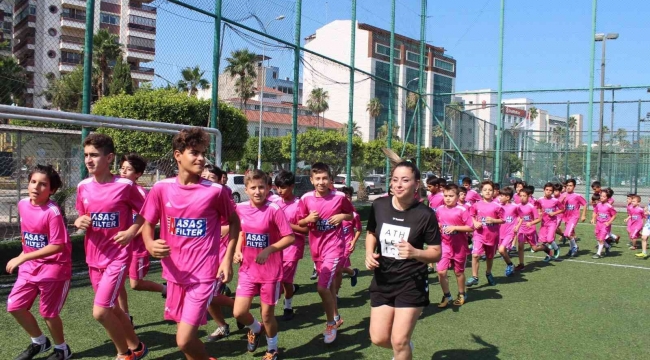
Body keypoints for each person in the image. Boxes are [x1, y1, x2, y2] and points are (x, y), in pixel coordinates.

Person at [140, 128, 240, 360]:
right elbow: (147, 222)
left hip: (203, 275)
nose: (201, 158)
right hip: (174, 274)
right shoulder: (161, 188)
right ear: (178, 155)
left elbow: (235, 223)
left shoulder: (215, 191)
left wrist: (227, 260)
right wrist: (148, 242)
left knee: (183, 340)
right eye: (194, 153)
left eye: (203, 153)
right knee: (186, 336)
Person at [74, 134, 148, 360]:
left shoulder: (125, 185)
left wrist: (131, 231)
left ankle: (123, 353)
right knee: (113, 308)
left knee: (101, 311)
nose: (89, 160)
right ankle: (137, 346)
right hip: (93, 257)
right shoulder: (83, 186)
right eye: (86, 155)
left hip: (117, 257)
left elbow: (148, 213)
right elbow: (81, 214)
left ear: (109, 158)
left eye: (94, 155)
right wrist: (79, 221)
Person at [366, 161, 442, 360]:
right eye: (395, 180)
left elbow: (436, 253)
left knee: (398, 340)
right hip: (383, 280)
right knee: (379, 338)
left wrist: (415, 253)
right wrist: (368, 253)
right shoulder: (379, 205)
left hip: (411, 282)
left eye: (405, 180)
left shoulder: (425, 215)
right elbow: (371, 232)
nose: (398, 185)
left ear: (416, 184)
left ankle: (402, 348)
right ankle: (405, 349)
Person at [6, 165, 73, 360]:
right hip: (30, 267)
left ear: (51, 190)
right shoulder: (22, 204)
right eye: (33, 182)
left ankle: (62, 350)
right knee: (15, 306)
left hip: (54, 268)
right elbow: (29, 237)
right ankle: (39, 342)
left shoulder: (53, 212)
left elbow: (58, 246)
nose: (36, 187)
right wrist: (24, 255)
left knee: (49, 313)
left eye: (43, 184)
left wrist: (24, 257)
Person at [232, 170, 295, 360]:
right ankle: (255, 329)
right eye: (253, 188)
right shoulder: (240, 208)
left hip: (270, 272)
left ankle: (272, 349)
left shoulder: (274, 209)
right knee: (239, 312)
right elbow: (240, 231)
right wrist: (236, 249)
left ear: (268, 188)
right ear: (246, 189)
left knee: (267, 315)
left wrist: (269, 250)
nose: (258, 191)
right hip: (248, 270)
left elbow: (290, 237)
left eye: (261, 187)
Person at [297, 162, 355, 344]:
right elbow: (299, 222)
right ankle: (336, 316)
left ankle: (330, 324)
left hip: (335, 248)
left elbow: (351, 214)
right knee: (328, 287)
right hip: (317, 250)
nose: (321, 182)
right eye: (317, 178)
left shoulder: (338, 197)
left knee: (322, 287)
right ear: (311, 180)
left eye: (324, 178)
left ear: (330, 180)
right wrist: (308, 219)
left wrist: (342, 216)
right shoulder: (306, 198)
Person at [117, 154, 166, 326]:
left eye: (128, 169)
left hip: (137, 247)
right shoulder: (116, 189)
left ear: (138, 174)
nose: (123, 172)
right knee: (118, 281)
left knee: (135, 284)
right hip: (120, 248)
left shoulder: (139, 192)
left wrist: (131, 233)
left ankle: (164, 289)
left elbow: (148, 219)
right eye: (122, 168)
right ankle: (126, 316)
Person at [204, 165, 240, 343]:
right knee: (207, 296)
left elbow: (237, 224)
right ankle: (223, 325)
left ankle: (241, 311)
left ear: (219, 181)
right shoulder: (196, 195)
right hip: (203, 253)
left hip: (221, 253)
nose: (205, 179)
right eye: (203, 176)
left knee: (208, 295)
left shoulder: (223, 197)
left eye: (210, 177)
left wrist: (219, 229)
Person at [273, 170, 309, 321]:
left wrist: (288, 225)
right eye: (277, 187)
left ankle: (288, 306)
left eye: (283, 187)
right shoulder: (274, 204)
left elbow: (305, 229)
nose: (280, 191)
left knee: (285, 280)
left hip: (292, 247)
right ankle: (291, 290)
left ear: (292, 186)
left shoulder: (299, 205)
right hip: (275, 247)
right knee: (276, 279)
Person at [435, 184, 473, 307]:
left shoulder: (462, 210)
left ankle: (462, 294)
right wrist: (438, 226)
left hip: (459, 246)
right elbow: (437, 223)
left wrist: (455, 227)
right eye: (445, 196)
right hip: (444, 245)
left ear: (457, 197)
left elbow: (470, 227)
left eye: (451, 196)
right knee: (441, 272)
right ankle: (447, 296)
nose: (448, 198)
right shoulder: (439, 209)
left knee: (458, 272)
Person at [466, 181, 504, 287]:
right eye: (485, 190)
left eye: (490, 190)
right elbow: (471, 215)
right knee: (475, 254)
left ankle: (488, 273)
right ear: (481, 192)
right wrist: (475, 222)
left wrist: (493, 220)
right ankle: (474, 277)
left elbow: (503, 220)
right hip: (479, 234)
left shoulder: (498, 206)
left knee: (489, 257)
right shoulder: (476, 205)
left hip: (492, 235)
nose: (487, 192)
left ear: (494, 192)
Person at [337, 187, 362, 292]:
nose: (347, 199)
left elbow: (359, 229)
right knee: (337, 269)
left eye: (349, 197)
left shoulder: (354, 215)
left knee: (338, 268)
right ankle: (353, 273)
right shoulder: (335, 213)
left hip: (347, 245)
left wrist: (353, 242)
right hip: (336, 245)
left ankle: (336, 293)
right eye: (345, 197)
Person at [513, 187, 541, 271]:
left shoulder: (531, 207)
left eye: (524, 196)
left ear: (528, 197)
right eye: (520, 195)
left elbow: (538, 219)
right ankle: (521, 264)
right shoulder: (517, 207)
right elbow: (515, 216)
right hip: (521, 230)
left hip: (531, 230)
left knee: (534, 248)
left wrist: (531, 223)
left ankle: (545, 248)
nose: (522, 197)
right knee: (520, 246)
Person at [535, 182, 564, 261]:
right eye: (547, 190)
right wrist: (539, 212)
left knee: (550, 239)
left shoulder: (555, 200)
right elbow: (538, 207)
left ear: (552, 192)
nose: (548, 191)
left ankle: (556, 248)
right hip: (544, 223)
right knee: (543, 241)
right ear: (544, 190)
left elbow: (562, 209)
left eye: (550, 190)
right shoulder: (540, 200)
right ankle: (549, 255)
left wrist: (554, 213)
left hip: (552, 223)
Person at [560, 179, 587, 257]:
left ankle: (574, 247)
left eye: (570, 186)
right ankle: (572, 248)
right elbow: (558, 205)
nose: (568, 187)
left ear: (574, 187)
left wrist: (583, 215)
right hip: (566, 217)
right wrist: (562, 200)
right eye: (567, 185)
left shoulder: (577, 196)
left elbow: (585, 204)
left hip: (574, 217)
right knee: (570, 234)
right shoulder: (563, 195)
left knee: (567, 234)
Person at [497, 187, 519, 276]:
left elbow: (520, 216)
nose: (499, 197)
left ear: (508, 197)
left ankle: (509, 265)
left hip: (509, 233)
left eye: (501, 196)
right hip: (499, 233)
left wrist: (517, 226)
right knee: (502, 251)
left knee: (502, 250)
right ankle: (510, 265)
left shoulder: (515, 206)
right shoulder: (498, 206)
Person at [591, 188, 617, 259]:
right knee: (598, 238)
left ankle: (598, 253)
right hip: (598, 224)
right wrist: (593, 218)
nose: (602, 197)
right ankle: (608, 247)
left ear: (608, 198)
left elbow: (614, 215)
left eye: (604, 196)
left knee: (601, 239)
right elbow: (595, 212)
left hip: (605, 225)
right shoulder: (598, 204)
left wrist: (609, 222)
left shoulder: (609, 206)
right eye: (601, 196)